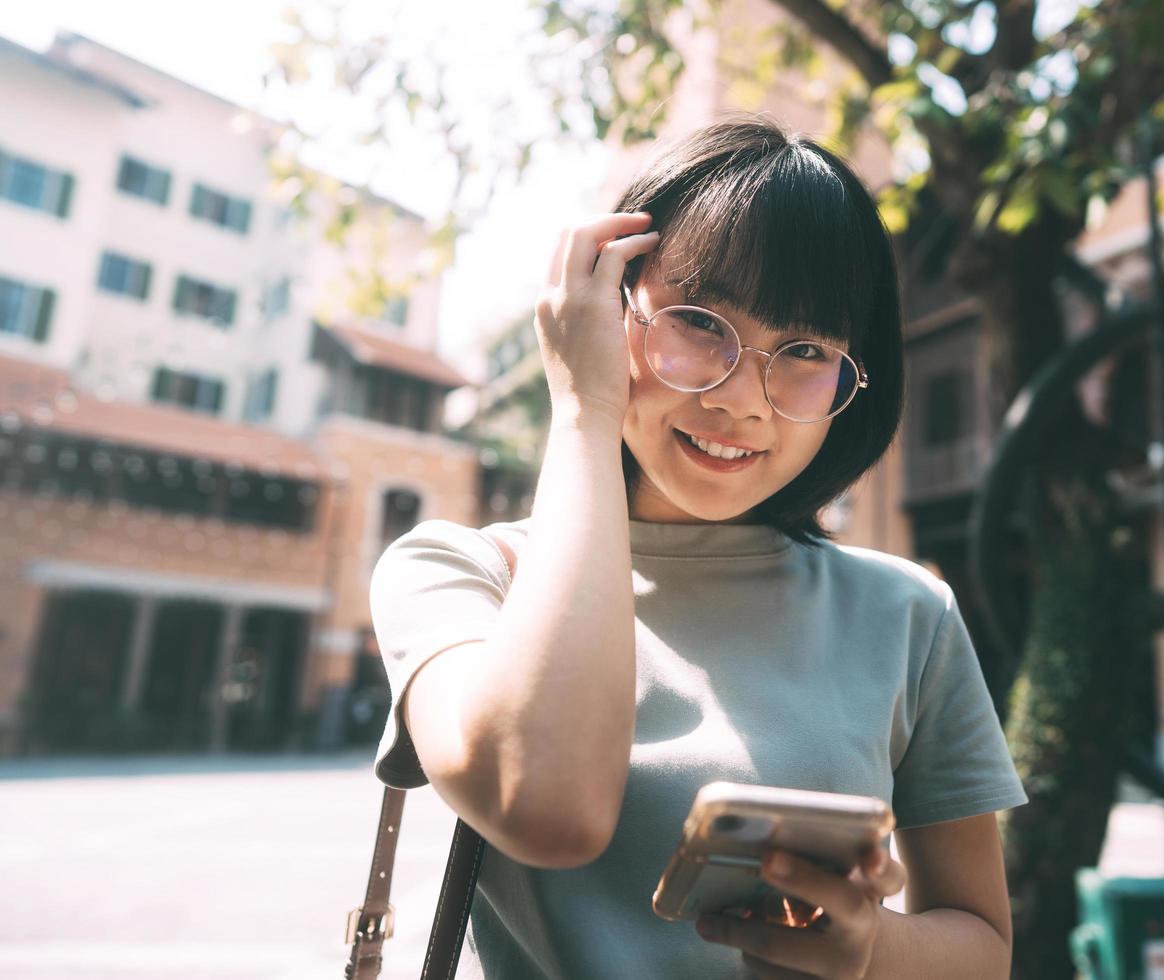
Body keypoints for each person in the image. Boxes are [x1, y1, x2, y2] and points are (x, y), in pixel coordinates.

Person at [369, 117, 1027, 979]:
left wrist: (876, 947)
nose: (743, 400)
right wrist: (582, 411)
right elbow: (548, 807)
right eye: (700, 323)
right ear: (609, 312)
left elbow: (982, 945)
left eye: (803, 350)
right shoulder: (460, 575)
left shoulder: (909, 615)